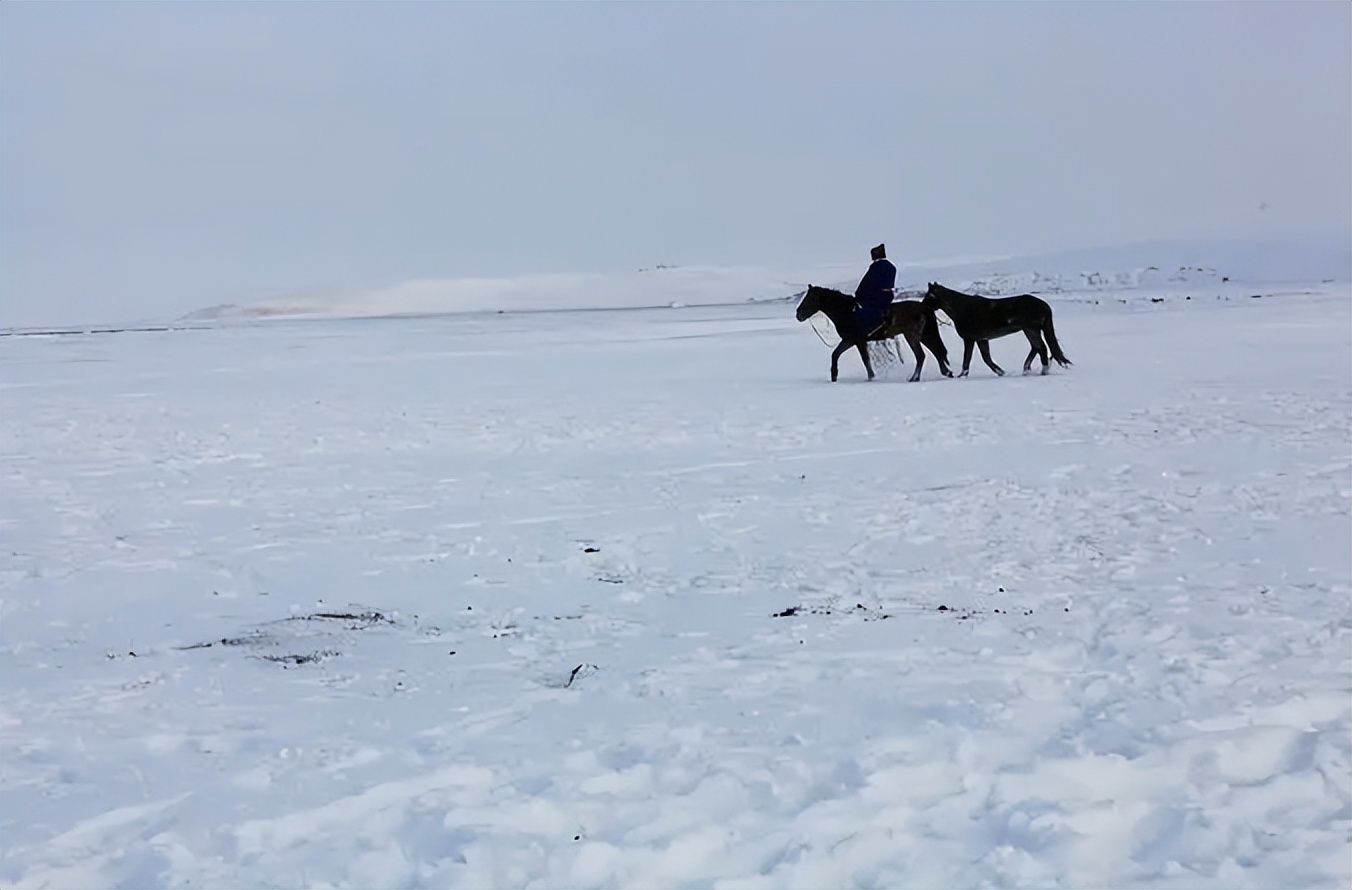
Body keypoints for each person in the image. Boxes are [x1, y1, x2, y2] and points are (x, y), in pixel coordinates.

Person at [853, 243, 896, 337]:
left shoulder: (876, 267)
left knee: (863, 310)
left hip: (877, 297)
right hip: (888, 296)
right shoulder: (891, 266)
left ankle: (870, 330)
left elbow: (867, 282)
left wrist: (858, 294)